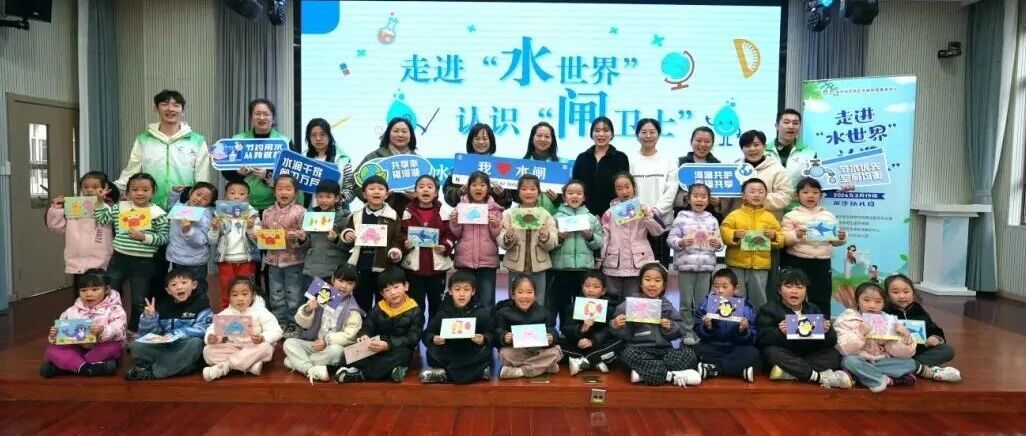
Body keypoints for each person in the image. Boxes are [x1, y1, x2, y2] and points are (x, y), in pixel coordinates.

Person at [94, 173, 170, 331]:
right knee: (110, 293)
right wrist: (100, 201)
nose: (140, 193)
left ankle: (134, 330)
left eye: (145, 189)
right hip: (119, 259)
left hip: (143, 262)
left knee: (139, 299)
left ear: (153, 191)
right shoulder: (120, 207)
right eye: (135, 189)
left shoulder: (158, 213)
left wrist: (144, 237)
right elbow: (102, 219)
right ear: (128, 192)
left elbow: (164, 238)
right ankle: (109, 328)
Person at [114, 90, 210, 211]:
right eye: (165, 104)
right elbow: (131, 172)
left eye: (176, 105)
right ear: (156, 108)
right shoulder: (143, 140)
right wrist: (111, 189)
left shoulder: (197, 141)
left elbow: (202, 178)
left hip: (184, 208)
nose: (170, 109)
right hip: (149, 207)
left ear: (183, 110)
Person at [756, 268, 852, 388]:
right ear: (779, 290)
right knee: (770, 353)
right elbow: (762, 338)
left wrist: (827, 332)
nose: (794, 291)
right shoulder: (768, 309)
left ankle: (791, 373)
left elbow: (831, 341)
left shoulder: (813, 309)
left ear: (806, 291)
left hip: (809, 355)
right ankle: (818, 377)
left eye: (800, 287)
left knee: (834, 355)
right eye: (788, 287)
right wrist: (780, 333)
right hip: (786, 353)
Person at [610, 263, 700, 386]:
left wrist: (670, 326)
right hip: (638, 350)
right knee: (626, 354)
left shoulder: (666, 305)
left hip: (664, 351)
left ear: (663, 286)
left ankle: (646, 373)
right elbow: (622, 333)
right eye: (647, 279)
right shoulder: (629, 304)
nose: (652, 284)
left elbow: (681, 329)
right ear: (640, 283)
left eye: (657, 280)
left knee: (689, 354)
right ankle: (670, 376)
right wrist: (616, 325)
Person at [335, 267, 424, 383]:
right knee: (347, 354)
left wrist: (388, 344)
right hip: (376, 346)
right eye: (387, 290)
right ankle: (390, 371)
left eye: (396, 287)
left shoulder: (415, 311)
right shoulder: (379, 307)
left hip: (396, 349)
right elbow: (367, 326)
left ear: (406, 286)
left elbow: (413, 338)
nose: (393, 292)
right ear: (382, 293)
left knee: (403, 355)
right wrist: (364, 336)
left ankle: (361, 374)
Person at [125, 269, 213, 381]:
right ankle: (178, 365)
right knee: (136, 345)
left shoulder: (202, 305)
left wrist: (177, 334)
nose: (179, 287)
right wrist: (149, 318)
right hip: (166, 346)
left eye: (184, 282)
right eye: (174, 285)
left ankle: (153, 371)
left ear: (194, 285)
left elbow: (203, 329)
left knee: (196, 343)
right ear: (168, 290)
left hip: (185, 346)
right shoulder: (163, 307)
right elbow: (148, 334)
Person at [283, 265, 364, 382]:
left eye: (349, 283)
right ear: (333, 279)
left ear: (354, 286)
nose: (344, 286)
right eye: (340, 281)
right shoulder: (323, 295)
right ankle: (311, 369)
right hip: (314, 344)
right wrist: (307, 309)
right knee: (289, 343)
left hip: (331, 348)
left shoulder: (352, 310)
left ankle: (298, 363)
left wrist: (327, 341)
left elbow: (350, 336)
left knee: (337, 351)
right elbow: (303, 324)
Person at [40, 269, 126, 378]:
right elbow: (62, 334)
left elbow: (119, 331)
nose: (89, 294)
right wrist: (55, 335)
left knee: (114, 347)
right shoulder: (72, 310)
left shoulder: (115, 309)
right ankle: (90, 369)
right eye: (83, 290)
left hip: (99, 349)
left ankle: (65, 368)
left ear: (107, 289)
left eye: (95, 289)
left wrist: (102, 330)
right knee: (51, 350)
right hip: (77, 349)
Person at [834, 282, 918, 393]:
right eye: (866, 300)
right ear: (857, 300)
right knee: (848, 361)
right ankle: (882, 379)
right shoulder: (847, 319)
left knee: (910, 363)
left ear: (883, 304)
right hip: (859, 359)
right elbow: (844, 349)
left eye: (878, 302)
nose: (872, 305)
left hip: (881, 361)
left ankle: (863, 376)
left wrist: (906, 337)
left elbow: (896, 351)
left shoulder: (888, 320)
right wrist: (859, 333)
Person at [781, 177, 848, 315]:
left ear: (821, 195)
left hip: (822, 262)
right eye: (805, 192)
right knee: (796, 296)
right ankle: (794, 325)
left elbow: (834, 241)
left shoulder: (828, 215)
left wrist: (841, 237)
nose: (810, 195)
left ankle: (823, 325)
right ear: (797, 195)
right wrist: (796, 235)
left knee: (822, 296)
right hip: (798, 261)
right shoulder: (790, 215)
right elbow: (784, 238)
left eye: (815, 192)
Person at [667, 183, 721, 345]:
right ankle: (687, 331)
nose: (699, 199)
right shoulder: (681, 217)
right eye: (696, 196)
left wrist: (717, 243)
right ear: (688, 199)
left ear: (708, 200)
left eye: (703, 196)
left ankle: (700, 331)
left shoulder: (712, 219)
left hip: (705, 267)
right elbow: (671, 239)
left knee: (702, 303)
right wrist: (681, 242)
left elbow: (719, 243)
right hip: (685, 266)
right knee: (685, 302)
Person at [341, 176, 405, 311]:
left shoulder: (393, 216)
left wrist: (394, 251)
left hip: (384, 267)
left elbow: (398, 239)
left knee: (383, 302)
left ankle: (381, 323)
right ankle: (363, 322)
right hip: (361, 266)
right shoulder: (356, 215)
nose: (376, 191)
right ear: (364, 194)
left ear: (386, 195)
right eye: (372, 189)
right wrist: (347, 235)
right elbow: (348, 231)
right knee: (361, 301)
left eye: (381, 189)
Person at [720, 178, 785, 309]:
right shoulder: (734, 215)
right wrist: (734, 234)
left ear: (766, 195)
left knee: (759, 296)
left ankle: (759, 320)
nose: (756, 195)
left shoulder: (770, 217)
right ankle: (737, 320)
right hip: (736, 263)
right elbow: (724, 231)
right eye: (752, 191)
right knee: (736, 294)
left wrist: (774, 236)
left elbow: (781, 239)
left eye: (761, 192)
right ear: (743, 195)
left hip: (760, 265)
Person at [883, 274, 961, 382]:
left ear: (913, 294)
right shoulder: (885, 312)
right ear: (887, 295)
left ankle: (912, 367)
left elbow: (933, 328)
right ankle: (915, 368)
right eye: (895, 292)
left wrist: (935, 338)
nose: (901, 296)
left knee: (947, 350)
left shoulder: (918, 309)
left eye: (906, 291)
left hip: (919, 353)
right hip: (894, 354)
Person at [420, 271, 494, 384]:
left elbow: (492, 333)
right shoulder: (443, 311)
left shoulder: (480, 311)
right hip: (450, 351)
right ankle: (477, 373)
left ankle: (444, 375)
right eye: (457, 289)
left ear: (473, 291)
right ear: (450, 291)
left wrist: (484, 338)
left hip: (470, 351)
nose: (462, 294)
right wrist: (433, 338)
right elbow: (427, 333)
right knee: (431, 352)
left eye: (466, 289)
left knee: (486, 352)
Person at [201, 277, 282, 381]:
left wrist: (262, 337)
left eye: (244, 294)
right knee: (208, 350)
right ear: (229, 298)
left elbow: (277, 331)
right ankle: (250, 367)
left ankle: (226, 367)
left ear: (253, 295)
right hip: (233, 348)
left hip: (254, 348)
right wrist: (211, 338)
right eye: (235, 295)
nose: (240, 298)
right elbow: (212, 330)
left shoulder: (261, 312)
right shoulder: (226, 313)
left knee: (266, 348)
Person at [223, 98, 296, 211]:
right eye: (257, 114)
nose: (262, 118)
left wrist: (267, 174)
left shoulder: (284, 142)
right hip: (242, 205)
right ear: (251, 117)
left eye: (266, 114)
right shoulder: (238, 140)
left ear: (273, 117)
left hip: (275, 206)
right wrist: (238, 173)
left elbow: (292, 173)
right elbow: (225, 172)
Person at [400, 175, 455, 320]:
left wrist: (445, 246)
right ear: (415, 191)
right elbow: (401, 233)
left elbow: (450, 235)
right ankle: (416, 332)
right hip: (414, 268)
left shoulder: (443, 212)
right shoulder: (408, 211)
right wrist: (405, 242)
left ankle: (433, 332)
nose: (425, 189)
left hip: (437, 268)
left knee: (436, 304)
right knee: (415, 305)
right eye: (421, 186)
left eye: (430, 187)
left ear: (436, 193)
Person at [550, 180, 604, 326]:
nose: (575, 196)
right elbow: (548, 245)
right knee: (563, 304)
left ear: (584, 197)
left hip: (584, 270)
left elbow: (600, 243)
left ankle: (581, 332)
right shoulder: (556, 218)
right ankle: (564, 331)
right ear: (564, 196)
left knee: (583, 306)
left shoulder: (591, 218)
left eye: (579, 193)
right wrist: (559, 238)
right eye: (570, 193)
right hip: (561, 269)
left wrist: (590, 237)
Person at [601, 172, 663, 297]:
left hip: (639, 263)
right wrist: (600, 259)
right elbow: (604, 238)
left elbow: (658, 231)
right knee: (612, 299)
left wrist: (647, 216)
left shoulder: (645, 208)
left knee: (634, 300)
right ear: (615, 191)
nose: (624, 191)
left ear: (634, 186)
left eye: (627, 187)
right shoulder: (609, 213)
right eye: (619, 188)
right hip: (614, 264)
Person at [46, 172, 117, 282]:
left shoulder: (108, 208)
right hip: (77, 263)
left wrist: (100, 202)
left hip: (101, 263)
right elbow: (57, 227)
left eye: (95, 187)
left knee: (101, 290)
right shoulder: (74, 206)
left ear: (104, 188)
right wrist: (56, 207)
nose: (89, 190)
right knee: (81, 291)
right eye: (85, 187)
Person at [449, 171, 504, 310]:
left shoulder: (495, 209)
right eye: (474, 185)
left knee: (487, 301)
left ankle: (487, 325)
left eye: (482, 185)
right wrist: (454, 222)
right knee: (465, 301)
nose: (478, 188)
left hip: (487, 263)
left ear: (488, 188)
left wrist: (495, 225)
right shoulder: (461, 207)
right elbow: (457, 234)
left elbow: (496, 236)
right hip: (465, 262)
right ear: (468, 188)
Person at [500, 174, 558, 305]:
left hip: (539, 266)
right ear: (518, 191)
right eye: (524, 189)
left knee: (538, 302)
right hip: (515, 265)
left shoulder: (545, 214)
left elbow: (553, 242)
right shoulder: (509, 214)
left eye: (533, 189)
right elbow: (502, 241)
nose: (528, 192)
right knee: (515, 302)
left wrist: (545, 237)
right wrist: (508, 237)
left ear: (539, 192)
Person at [694, 269, 760, 383]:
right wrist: (708, 327)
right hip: (712, 346)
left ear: (736, 289)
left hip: (736, 347)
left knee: (753, 354)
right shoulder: (705, 304)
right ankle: (738, 371)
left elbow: (754, 334)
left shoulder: (746, 307)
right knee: (696, 351)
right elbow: (697, 328)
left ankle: (713, 369)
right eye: (716, 286)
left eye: (725, 287)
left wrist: (743, 330)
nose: (720, 290)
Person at [261, 175, 308, 333]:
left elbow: (305, 236)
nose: (284, 192)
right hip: (273, 261)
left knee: (294, 293)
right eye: (280, 189)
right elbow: (263, 234)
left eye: (288, 189)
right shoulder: (267, 212)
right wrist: (258, 235)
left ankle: (294, 322)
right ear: (274, 191)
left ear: (296, 192)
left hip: (294, 260)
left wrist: (297, 236)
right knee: (276, 294)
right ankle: (279, 321)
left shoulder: (300, 211)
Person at [628, 119, 678, 264]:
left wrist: (655, 211)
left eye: (652, 132)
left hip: (660, 222)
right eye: (643, 132)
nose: (648, 136)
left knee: (659, 267)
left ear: (658, 135)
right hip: (635, 221)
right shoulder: (630, 159)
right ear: (637, 135)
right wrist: (640, 212)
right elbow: (625, 189)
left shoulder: (669, 159)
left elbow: (671, 189)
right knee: (636, 266)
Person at [494, 275, 563, 379]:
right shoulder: (503, 312)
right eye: (520, 292)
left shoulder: (544, 312)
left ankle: (520, 371)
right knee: (504, 354)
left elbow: (552, 329)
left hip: (538, 350)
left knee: (557, 351)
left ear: (535, 295)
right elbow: (496, 333)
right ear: (513, 295)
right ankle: (545, 366)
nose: (525, 296)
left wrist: (551, 337)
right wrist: (504, 336)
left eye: (529, 292)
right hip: (517, 351)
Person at [209, 180, 261, 310]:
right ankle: (227, 315)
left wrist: (251, 228)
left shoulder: (253, 214)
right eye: (232, 193)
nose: (237, 196)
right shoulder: (218, 214)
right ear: (225, 195)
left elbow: (258, 240)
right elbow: (212, 241)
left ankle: (248, 315)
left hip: (247, 259)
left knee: (246, 290)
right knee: (227, 289)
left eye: (242, 194)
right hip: (225, 260)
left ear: (248, 197)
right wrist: (214, 228)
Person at [560, 270, 623, 376]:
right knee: (556, 345)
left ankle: (583, 362)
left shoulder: (609, 307)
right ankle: (596, 361)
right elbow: (566, 329)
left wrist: (593, 341)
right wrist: (581, 329)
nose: (591, 290)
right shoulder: (574, 306)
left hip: (599, 345)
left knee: (620, 342)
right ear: (582, 287)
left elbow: (609, 330)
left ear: (603, 291)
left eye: (596, 287)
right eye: (587, 286)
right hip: (578, 345)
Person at [721, 130, 793, 218]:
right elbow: (727, 199)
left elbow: (785, 196)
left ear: (764, 146)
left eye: (756, 145)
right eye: (747, 146)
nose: (752, 149)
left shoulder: (778, 169)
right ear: (742, 149)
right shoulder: (734, 168)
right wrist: (719, 202)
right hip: (738, 222)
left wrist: (756, 198)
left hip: (767, 222)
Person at [166, 182, 216, 302]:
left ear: (209, 203)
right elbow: (170, 206)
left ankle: (202, 311)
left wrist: (188, 230)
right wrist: (175, 192)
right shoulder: (179, 207)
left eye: (205, 198)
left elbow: (202, 241)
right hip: (177, 258)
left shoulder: (205, 215)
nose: (199, 199)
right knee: (178, 291)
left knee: (197, 292)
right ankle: (181, 311)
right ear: (190, 192)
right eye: (198, 194)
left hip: (195, 262)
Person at [356, 117, 419, 213]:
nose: (400, 135)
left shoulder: (418, 161)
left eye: (404, 131)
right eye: (396, 131)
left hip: (411, 215)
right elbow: (356, 184)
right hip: (378, 213)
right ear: (388, 133)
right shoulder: (374, 158)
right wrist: (374, 196)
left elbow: (433, 187)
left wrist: (419, 197)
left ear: (411, 135)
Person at [443, 123, 512, 208]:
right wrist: (459, 192)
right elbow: (447, 195)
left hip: (491, 214)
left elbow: (508, 202)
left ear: (491, 141)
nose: (481, 142)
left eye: (485, 138)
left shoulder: (499, 165)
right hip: (465, 213)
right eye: (477, 138)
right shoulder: (462, 163)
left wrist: (502, 194)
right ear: (471, 141)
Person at [572, 117, 630, 218]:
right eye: (597, 130)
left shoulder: (621, 157)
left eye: (606, 130)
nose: (601, 134)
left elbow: (625, 188)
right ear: (591, 134)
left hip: (614, 215)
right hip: (585, 214)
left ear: (612, 134)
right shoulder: (582, 158)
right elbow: (575, 186)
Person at [299, 180, 351, 289]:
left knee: (331, 298)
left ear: (337, 198)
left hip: (333, 269)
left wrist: (336, 238)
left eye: (328, 197)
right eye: (320, 196)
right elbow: (304, 247)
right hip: (312, 267)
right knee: (313, 298)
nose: (323, 200)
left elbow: (349, 246)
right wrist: (302, 239)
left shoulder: (344, 218)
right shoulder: (310, 217)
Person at [303, 118, 356, 209]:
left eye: (322, 134)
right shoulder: (302, 158)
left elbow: (350, 189)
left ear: (329, 136)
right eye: (313, 135)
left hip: (337, 213)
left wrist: (337, 200)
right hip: (308, 213)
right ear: (309, 137)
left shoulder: (342, 159)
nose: (318, 138)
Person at [672, 127, 724, 219]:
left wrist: (718, 202)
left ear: (712, 144)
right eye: (698, 140)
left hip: (710, 218)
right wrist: (683, 198)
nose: (702, 144)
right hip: (683, 218)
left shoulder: (719, 165)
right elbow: (671, 190)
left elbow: (724, 195)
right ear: (691, 141)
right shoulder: (679, 163)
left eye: (707, 141)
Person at [515, 121, 563, 215]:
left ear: (552, 140)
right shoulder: (522, 164)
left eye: (547, 136)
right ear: (532, 138)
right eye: (539, 135)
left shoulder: (561, 165)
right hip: (525, 216)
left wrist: (558, 199)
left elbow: (569, 194)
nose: (542, 139)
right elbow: (514, 195)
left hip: (553, 217)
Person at [765, 109, 816, 191]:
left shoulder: (810, 153)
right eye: (786, 122)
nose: (791, 126)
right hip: (768, 198)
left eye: (795, 123)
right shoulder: (763, 151)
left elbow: (815, 181)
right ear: (777, 126)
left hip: (795, 199)